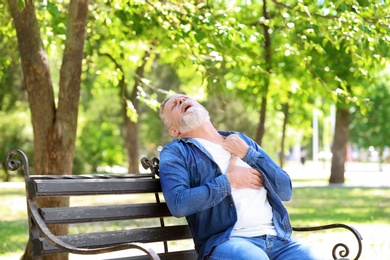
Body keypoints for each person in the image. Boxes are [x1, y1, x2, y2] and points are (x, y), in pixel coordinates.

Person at [158, 94, 315, 260]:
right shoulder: (176, 152)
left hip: (277, 239)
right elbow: (178, 204)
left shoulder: (241, 140)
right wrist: (229, 181)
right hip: (228, 242)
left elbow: (285, 191)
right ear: (175, 131)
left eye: (184, 97)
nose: (181, 100)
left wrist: (248, 154)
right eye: (174, 105)